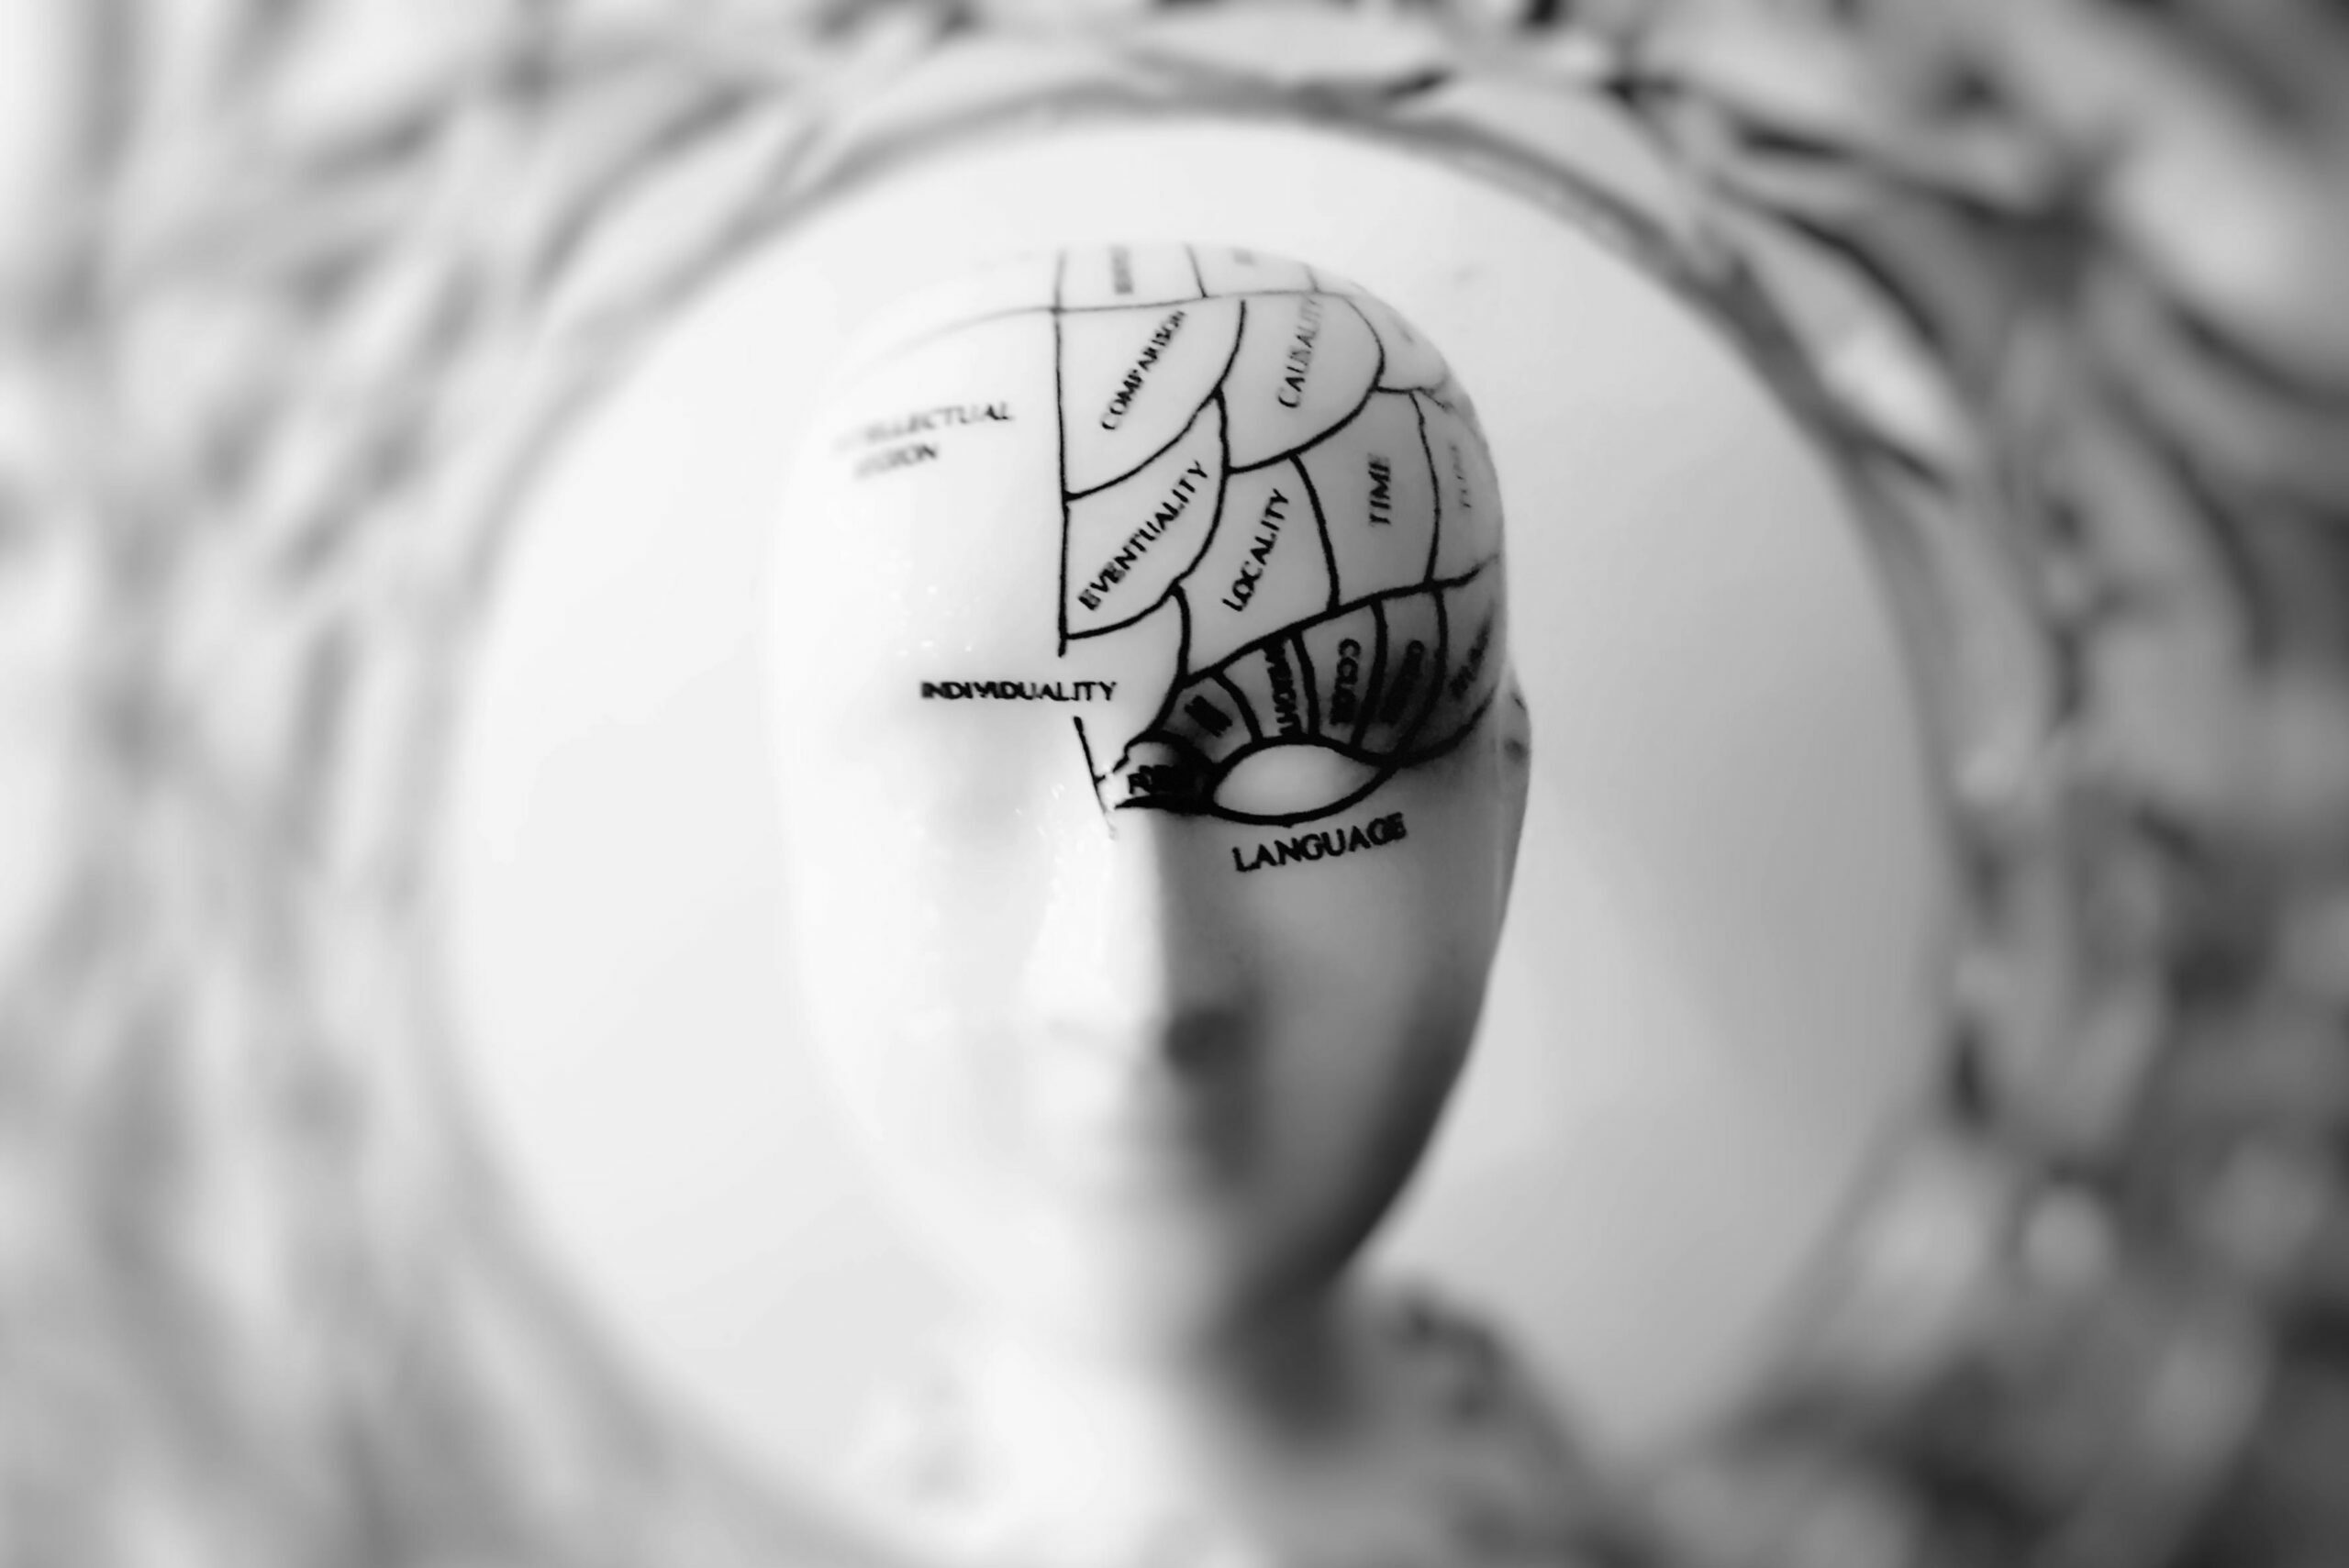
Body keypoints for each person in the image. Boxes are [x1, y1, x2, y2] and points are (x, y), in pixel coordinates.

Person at [767, 243, 1582, 1567]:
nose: (1135, 993)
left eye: (1305, 766)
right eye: (957, 786)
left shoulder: (1542, 1471)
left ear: (1504, 813)